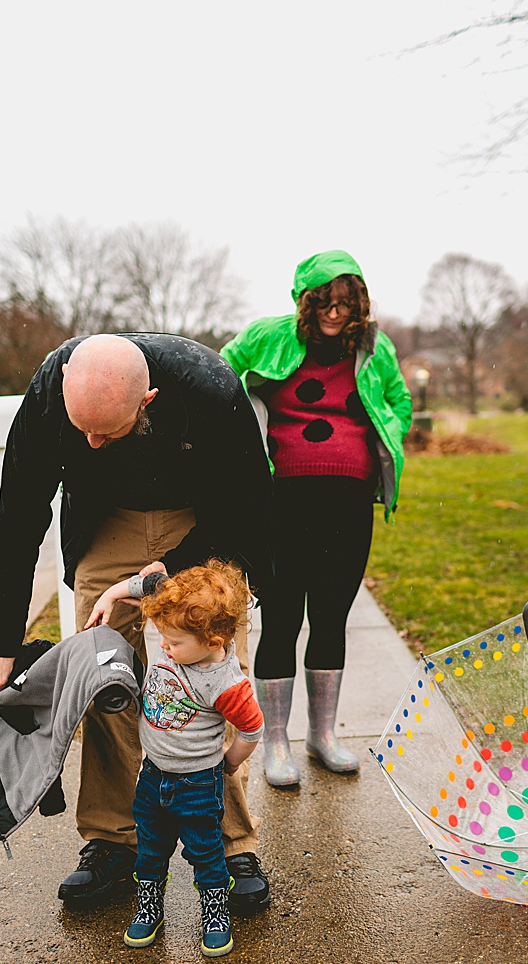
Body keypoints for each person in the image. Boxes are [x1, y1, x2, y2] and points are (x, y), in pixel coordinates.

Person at [0, 333, 274, 915]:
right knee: (99, 678)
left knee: (214, 679)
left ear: (149, 400)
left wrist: (162, 574)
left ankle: (232, 843)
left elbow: (248, 510)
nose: (90, 442)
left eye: (106, 431)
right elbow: (18, 513)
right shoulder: (50, 395)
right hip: (107, 523)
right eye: (81, 429)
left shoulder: (210, 389)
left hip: (200, 524)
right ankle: (112, 841)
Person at [220, 250, 412, 787]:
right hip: (281, 499)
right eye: (325, 300)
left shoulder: (374, 347)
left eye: (346, 302)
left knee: (331, 616)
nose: (335, 312)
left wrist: (386, 438)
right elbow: (219, 378)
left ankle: (323, 736)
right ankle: (275, 741)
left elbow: (400, 400)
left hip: (349, 500)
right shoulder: (268, 336)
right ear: (305, 300)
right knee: (281, 617)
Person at [88, 561, 263, 956]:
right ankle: (150, 905)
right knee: (150, 849)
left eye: (174, 643)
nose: (164, 648)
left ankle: (215, 911)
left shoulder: (225, 683)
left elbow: (252, 729)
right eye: (162, 639)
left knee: (206, 852)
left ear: (215, 640)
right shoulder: (181, 619)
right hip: (152, 776)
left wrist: (230, 762)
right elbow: (150, 583)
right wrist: (113, 594)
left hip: (198, 783)